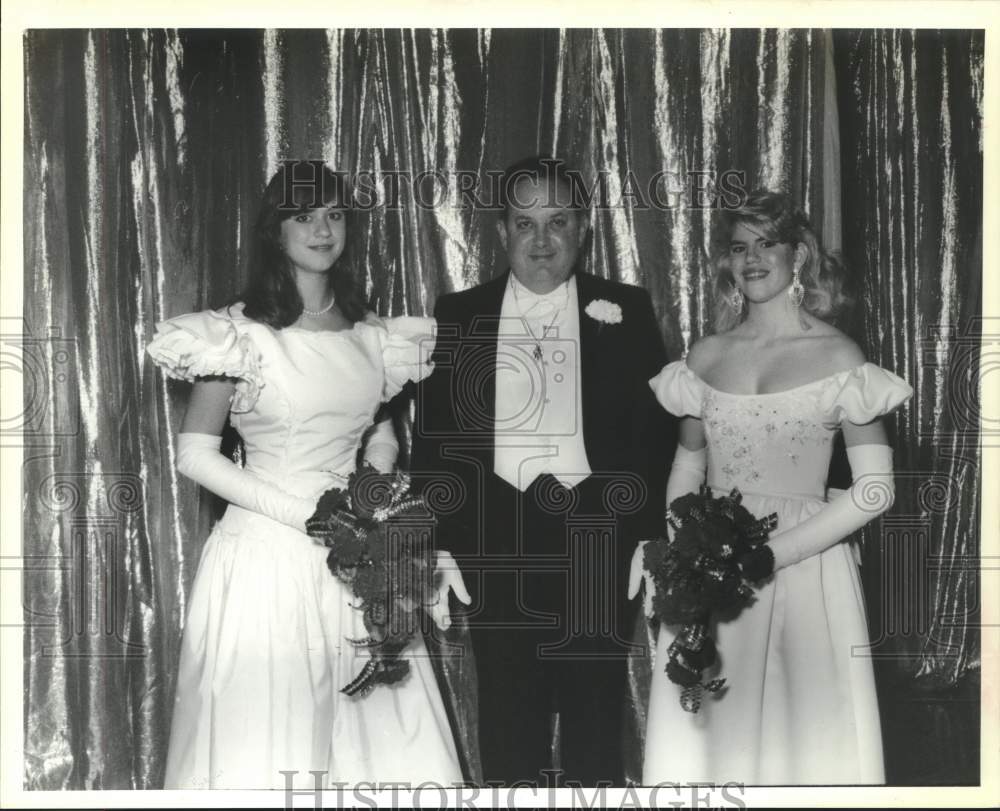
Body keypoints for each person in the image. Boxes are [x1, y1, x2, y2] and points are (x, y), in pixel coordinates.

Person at [146, 161, 464, 789]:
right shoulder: (234, 334)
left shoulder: (372, 335)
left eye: (334, 215)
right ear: (275, 230)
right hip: (266, 558)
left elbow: (377, 431)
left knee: (374, 731)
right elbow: (195, 454)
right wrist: (309, 516)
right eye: (303, 215)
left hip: (354, 560)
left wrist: (370, 499)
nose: (322, 229)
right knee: (271, 735)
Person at [633, 191, 912, 784]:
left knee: (804, 734)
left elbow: (875, 491)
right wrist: (683, 550)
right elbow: (687, 464)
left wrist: (766, 555)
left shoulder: (838, 354)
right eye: (740, 246)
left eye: (767, 243)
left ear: (799, 255)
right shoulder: (705, 356)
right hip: (711, 567)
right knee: (712, 729)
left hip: (806, 568)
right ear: (727, 262)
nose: (752, 258)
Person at [410, 156, 673, 786]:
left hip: (595, 535)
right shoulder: (458, 311)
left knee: (593, 711)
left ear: (582, 228)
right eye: (524, 224)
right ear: (501, 232)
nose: (541, 240)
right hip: (496, 539)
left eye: (558, 221)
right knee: (506, 715)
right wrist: (439, 544)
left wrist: (647, 533)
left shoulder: (625, 308)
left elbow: (654, 434)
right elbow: (435, 437)